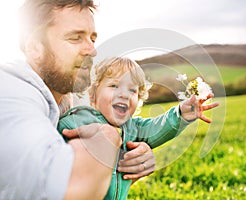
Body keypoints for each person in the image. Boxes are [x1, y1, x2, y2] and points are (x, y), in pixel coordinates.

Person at [0, 1, 154, 199]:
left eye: (92, 38)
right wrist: (105, 139)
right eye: (75, 38)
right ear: (34, 47)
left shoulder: (70, 97)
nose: (92, 50)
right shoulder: (11, 94)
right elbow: (71, 187)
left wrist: (132, 159)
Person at [58, 57, 219, 199]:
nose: (124, 94)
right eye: (114, 85)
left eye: (132, 90)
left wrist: (181, 114)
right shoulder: (79, 120)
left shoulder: (132, 127)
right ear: (93, 94)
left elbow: (158, 127)